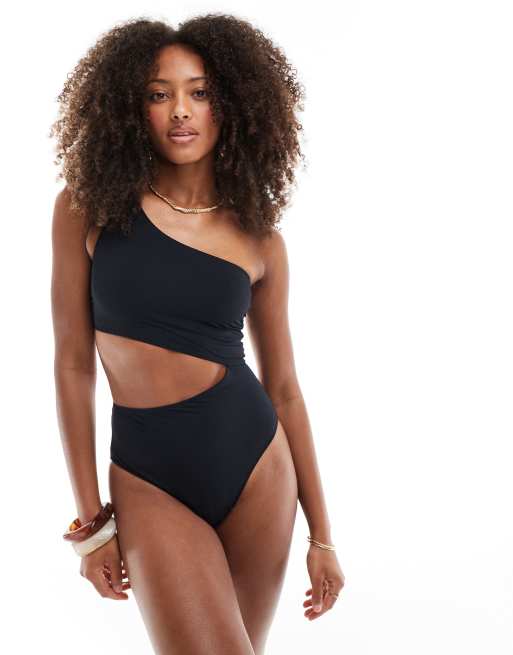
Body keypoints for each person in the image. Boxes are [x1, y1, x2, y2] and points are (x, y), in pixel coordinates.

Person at [51, 14, 345, 655]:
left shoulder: (261, 240)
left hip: (256, 469)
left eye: (200, 92)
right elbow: (73, 364)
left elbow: (285, 389)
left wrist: (322, 535)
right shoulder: (87, 208)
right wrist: (91, 523)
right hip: (148, 477)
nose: (180, 110)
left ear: (231, 104)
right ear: (133, 108)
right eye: (160, 94)